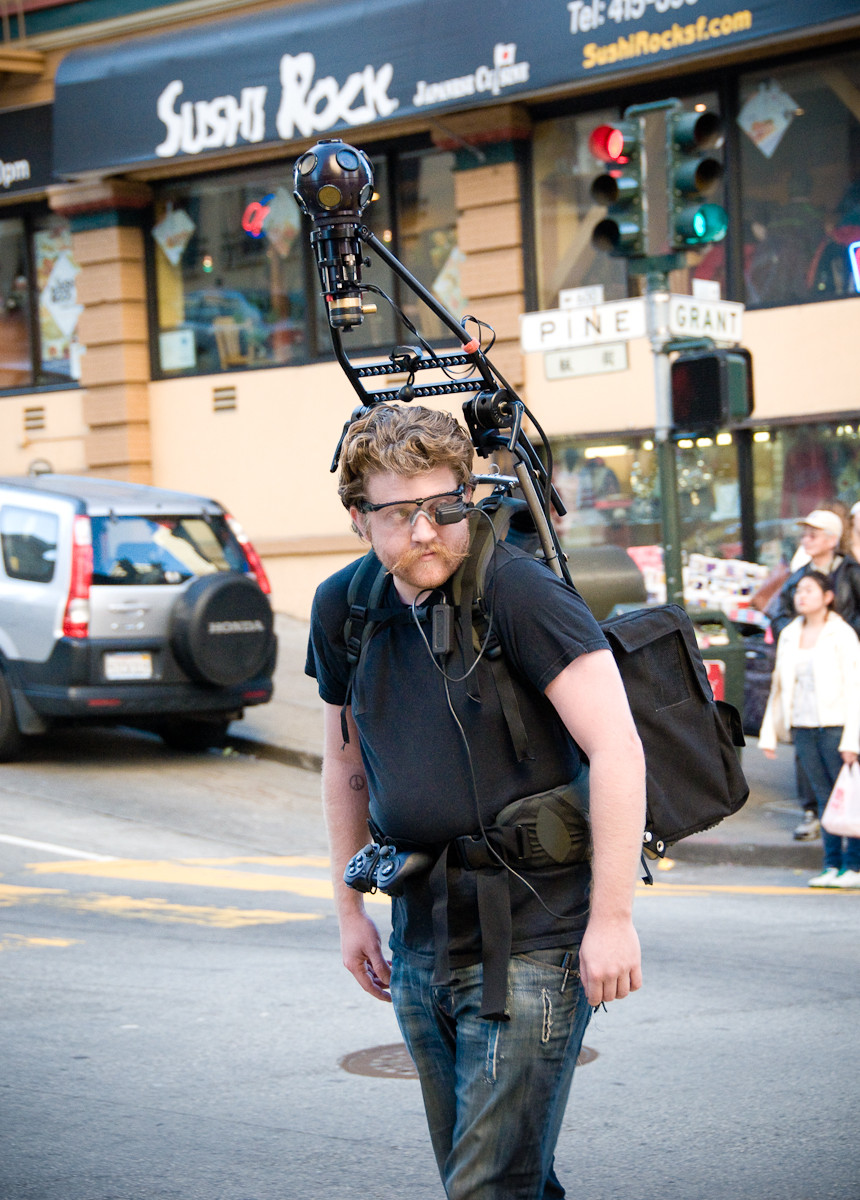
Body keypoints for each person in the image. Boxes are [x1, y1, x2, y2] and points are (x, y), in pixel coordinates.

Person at [306, 403, 646, 1200]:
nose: (427, 531)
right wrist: (349, 909)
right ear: (358, 518)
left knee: (485, 1187)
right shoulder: (343, 608)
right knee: (504, 1179)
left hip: (533, 936)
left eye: (445, 506)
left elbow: (617, 746)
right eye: (400, 513)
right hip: (420, 935)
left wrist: (613, 919)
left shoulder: (520, 592)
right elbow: (345, 762)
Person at [759, 570, 860, 888]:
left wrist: (852, 740)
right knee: (823, 798)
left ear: (828, 597)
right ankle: (831, 864)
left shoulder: (842, 634)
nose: (801, 596)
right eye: (798, 591)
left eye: (809, 590)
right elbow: (779, 686)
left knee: (849, 798)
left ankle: (854, 866)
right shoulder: (790, 633)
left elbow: (855, 687)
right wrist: (770, 733)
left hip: (836, 727)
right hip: (803, 726)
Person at [767, 510, 846, 841]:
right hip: (806, 683)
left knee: (840, 757)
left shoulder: (849, 573)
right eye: (805, 534)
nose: (807, 540)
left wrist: (833, 633)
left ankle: (845, 836)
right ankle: (814, 814)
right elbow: (778, 615)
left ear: (832, 539)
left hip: (840, 677)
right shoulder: (798, 576)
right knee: (808, 753)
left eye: (814, 534)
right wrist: (800, 632)